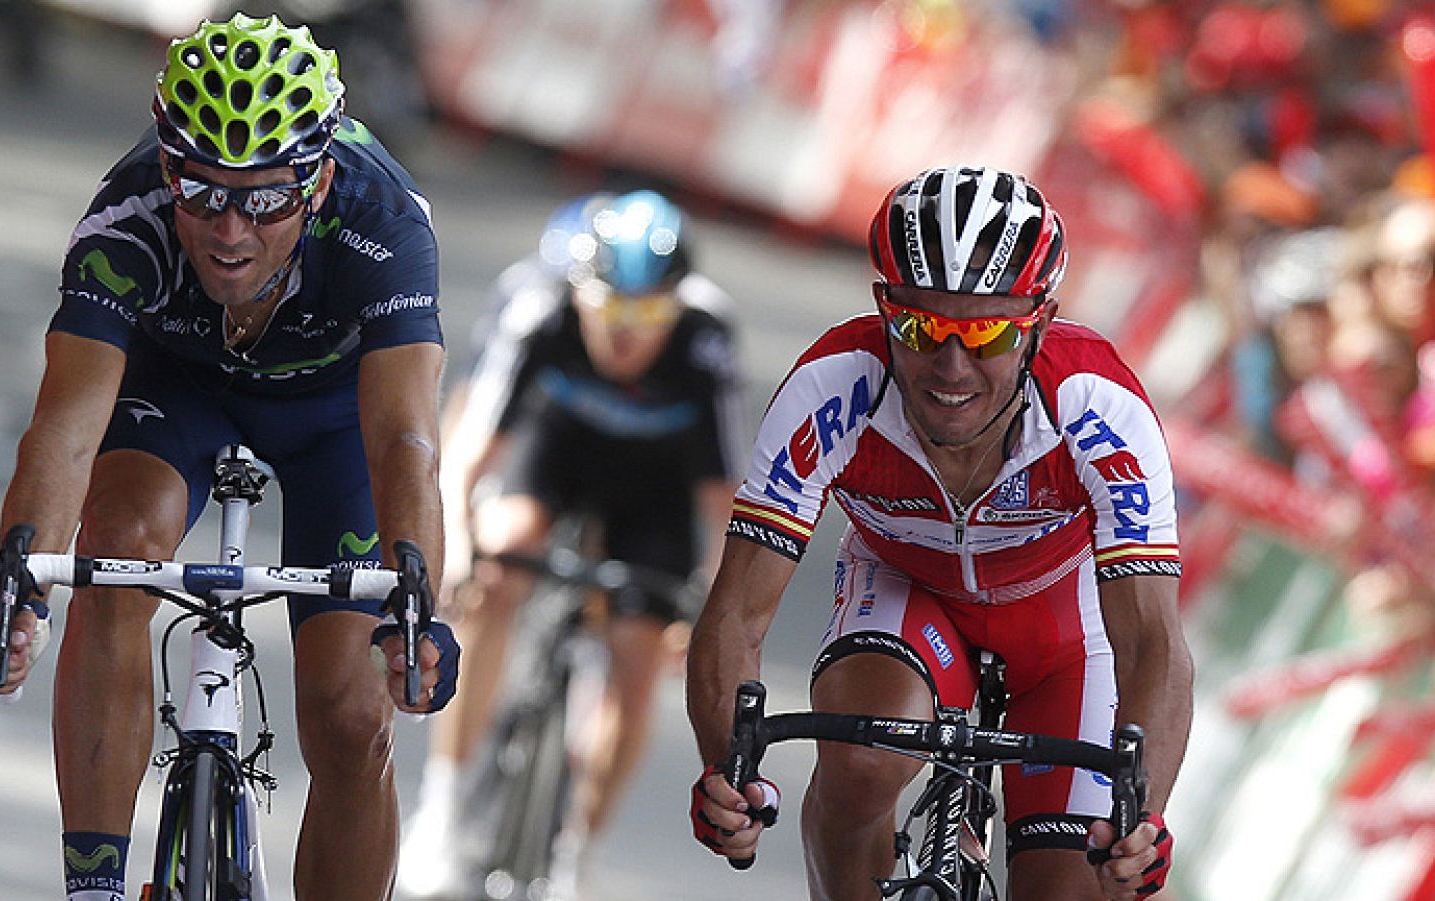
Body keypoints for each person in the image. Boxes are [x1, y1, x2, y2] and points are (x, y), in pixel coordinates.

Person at [0, 14, 458, 901]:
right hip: (177, 386)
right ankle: (97, 885)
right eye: (202, 192)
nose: (230, 229)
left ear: (320, 178)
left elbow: (404, 440)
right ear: (168, 171)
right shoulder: (127, 218)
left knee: (350, 715)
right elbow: (66, 427)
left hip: (331, 414)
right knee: (119, 541)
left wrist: (416, 598)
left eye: (265, 198)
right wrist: (17, 580)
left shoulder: (383, 224)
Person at [687, 165, 1194, 900]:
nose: (951, 366)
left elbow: (1154, 644)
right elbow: (736, 609)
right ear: (883, 309)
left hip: (1062, 627)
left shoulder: (1097, 405)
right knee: (862, 756)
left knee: (1082, 886)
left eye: (986, 333)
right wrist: (726, 773)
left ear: (1040, 323)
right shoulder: (834, 387)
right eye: (921, 328)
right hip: (904, 589)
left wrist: (1141, 815)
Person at [400, 190, 745, 899]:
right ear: (576, 291)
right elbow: (466, 455)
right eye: (608, 308)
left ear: (677, 304)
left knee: (640, 651)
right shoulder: (539, 306)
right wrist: (460, 547)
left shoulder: (707, 336)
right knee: (497, 562)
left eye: (648, 315)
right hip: (554, 452)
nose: (625, 332)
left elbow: (724, 502)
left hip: (656, 486)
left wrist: (709, 605)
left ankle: (575, 845)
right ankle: (446, 799)